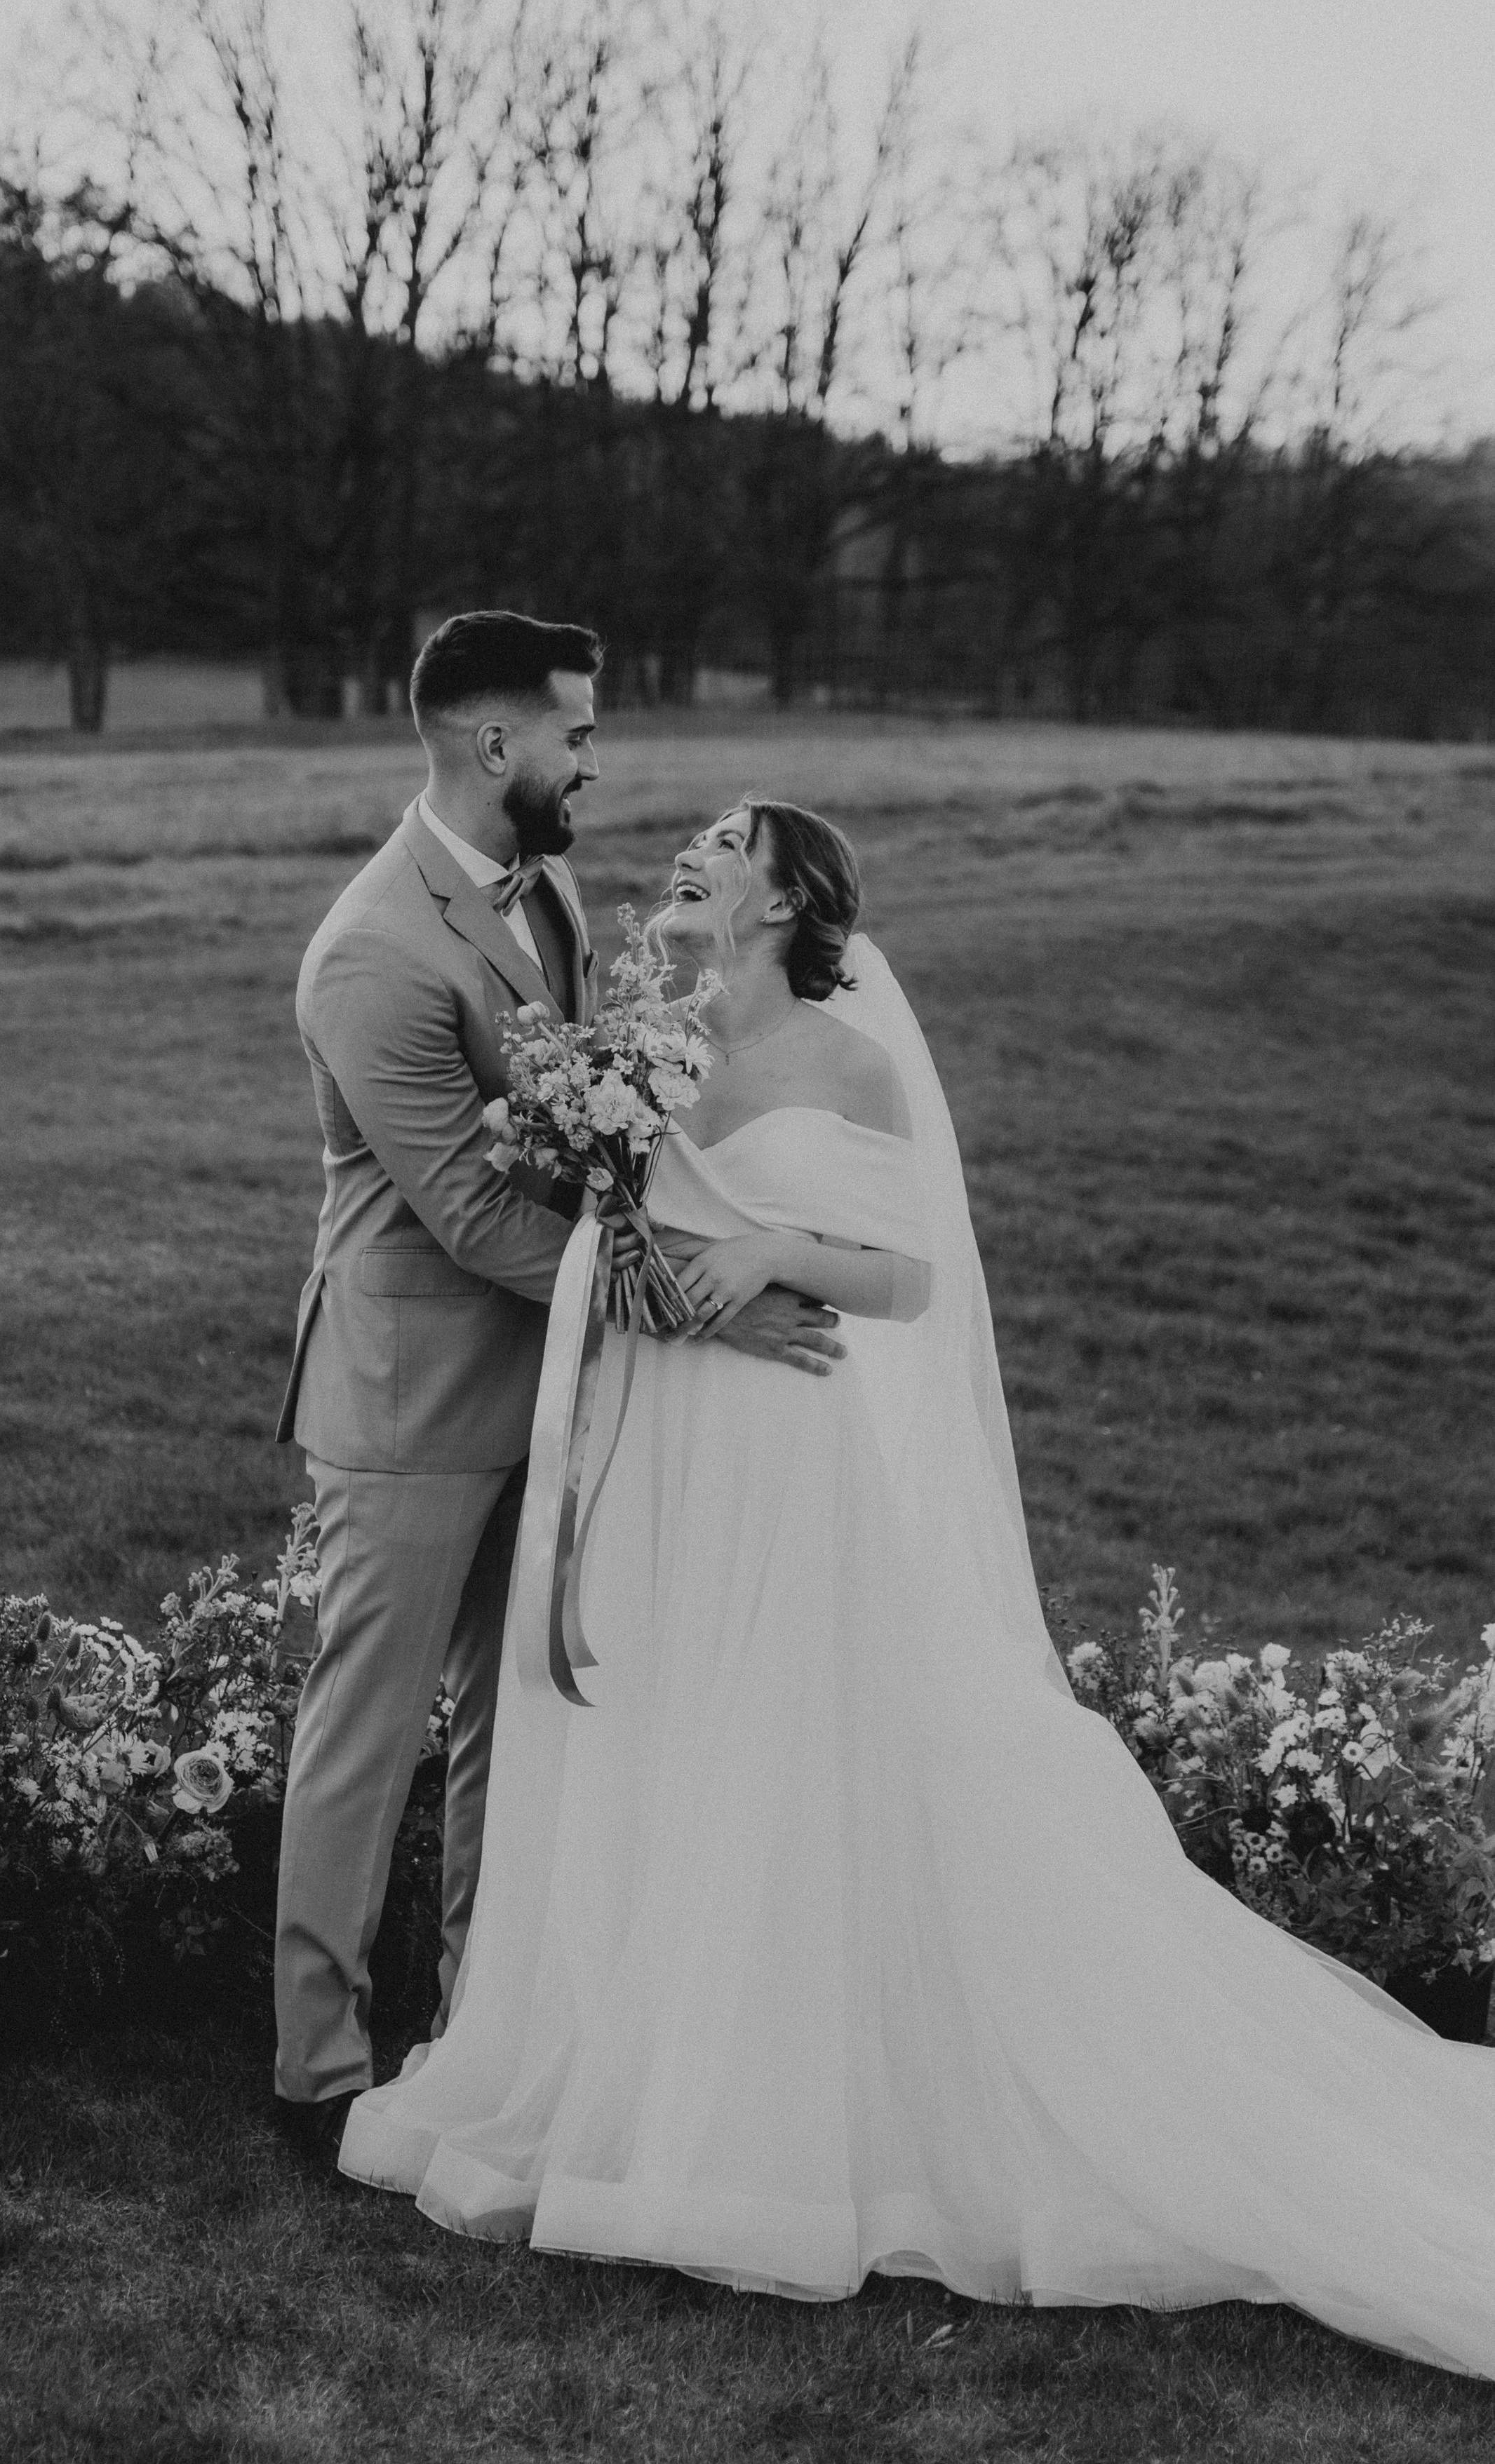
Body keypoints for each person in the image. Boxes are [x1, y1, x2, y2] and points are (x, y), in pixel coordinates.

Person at [340, 794, 1495, 2382]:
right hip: (657, 1439)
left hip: (785, 1457)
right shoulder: (630, 1035)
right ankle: (633, 2060)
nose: (690, 850)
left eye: (724, 843)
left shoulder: (848, 1055)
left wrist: (768, 1261)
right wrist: (659, 1244)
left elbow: (905, 1279)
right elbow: (606, 1233)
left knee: (780, 1748)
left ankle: (766, 2119)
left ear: (783, 898)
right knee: (662, 1729)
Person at [272, 625, 846, 2160]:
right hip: (409, 1399)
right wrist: (692, 1306)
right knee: (368, 1731)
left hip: (553, 1374)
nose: (592, 762)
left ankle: (480, 2024)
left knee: (512, 1724)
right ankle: (315, 2069)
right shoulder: (374, 951)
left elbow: (590, 1120)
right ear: (490, 745)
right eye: (575, 736)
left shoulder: (546, 893)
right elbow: (467, 1209)